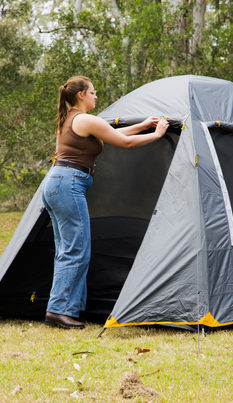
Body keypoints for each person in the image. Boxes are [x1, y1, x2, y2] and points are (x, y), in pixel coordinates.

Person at [42, 76, 169, 329]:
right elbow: (125, 143)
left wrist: (143, 124)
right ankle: (57, 310)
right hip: (69, 184)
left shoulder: (72, 119)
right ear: (81, 95)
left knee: (68, 250)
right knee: (76, 250)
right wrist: (156, 135)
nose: (95, 96)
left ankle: (68, 309)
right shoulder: (85, 119)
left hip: (57, 184)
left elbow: (110, 135)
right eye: (93, 92)